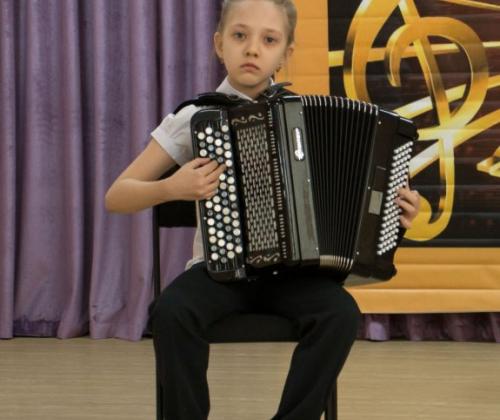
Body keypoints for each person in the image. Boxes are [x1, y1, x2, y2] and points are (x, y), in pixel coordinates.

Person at [105, 0, 421, 418]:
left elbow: (358, 200)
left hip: (293, 275)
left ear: (285, 53)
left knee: (340, 313)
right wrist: (171, 187)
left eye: (269, 40)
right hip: (218, 271)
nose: (252, 48)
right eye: (240, 36)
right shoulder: (194, 116)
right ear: (219, 44)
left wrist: (399, 212)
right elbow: (117, 196)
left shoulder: (302, 117)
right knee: (172, 312)